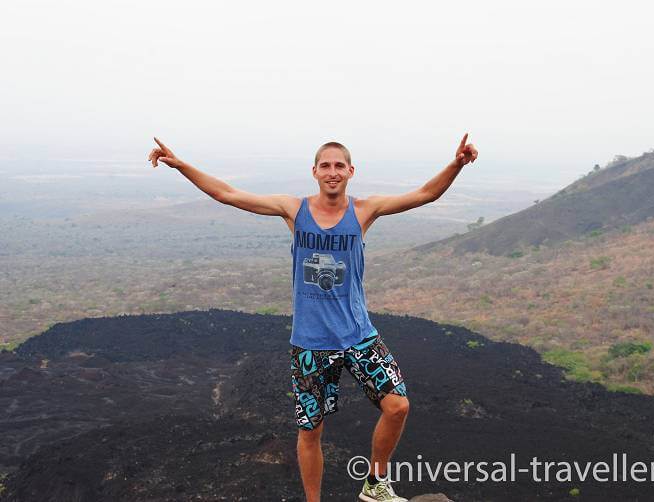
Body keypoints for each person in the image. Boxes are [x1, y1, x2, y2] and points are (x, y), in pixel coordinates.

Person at [147, 135, 478, 502]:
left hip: (358, 334)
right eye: (326, 165)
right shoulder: (294, 210)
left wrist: (457, 164)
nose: (332, 172)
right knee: (311, 431)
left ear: (351, 171)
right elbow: (227, 194)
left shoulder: (364, 211)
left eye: (339, 166)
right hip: (310, 343)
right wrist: (181, 165)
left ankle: (375, 484)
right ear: (314, 171)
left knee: (398, 405)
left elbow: (425, 194)